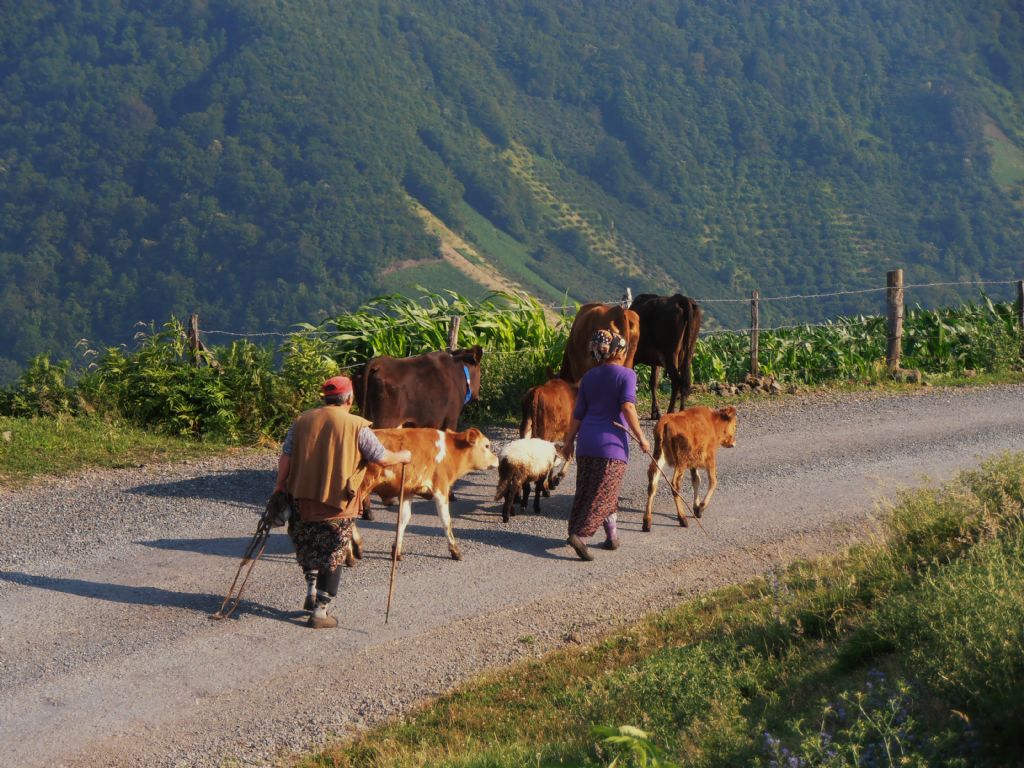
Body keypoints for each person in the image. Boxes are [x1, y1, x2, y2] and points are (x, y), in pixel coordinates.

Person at [273, 375, 411, 628]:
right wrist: (403, 455)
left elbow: (286, 457)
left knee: (308, 547)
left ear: (325, 398)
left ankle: (311, 590)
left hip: (301, 499)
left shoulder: (301, 422)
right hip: (338, 503)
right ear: (349, 398)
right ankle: (320, 612)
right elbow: (380, 458)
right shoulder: (357, 426)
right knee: (333, 554)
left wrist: (279, 486)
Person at [560, 330, 650, 561]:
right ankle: (581, 536)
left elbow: (578, 414)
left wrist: (568, 442)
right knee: (604, 495)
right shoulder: (627, 375)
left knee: (590, 490)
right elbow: (628, 407)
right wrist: (641, 437)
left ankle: (611, 537)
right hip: (612, 445)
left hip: (586, 442)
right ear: (618, 351)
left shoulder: (589, 377)